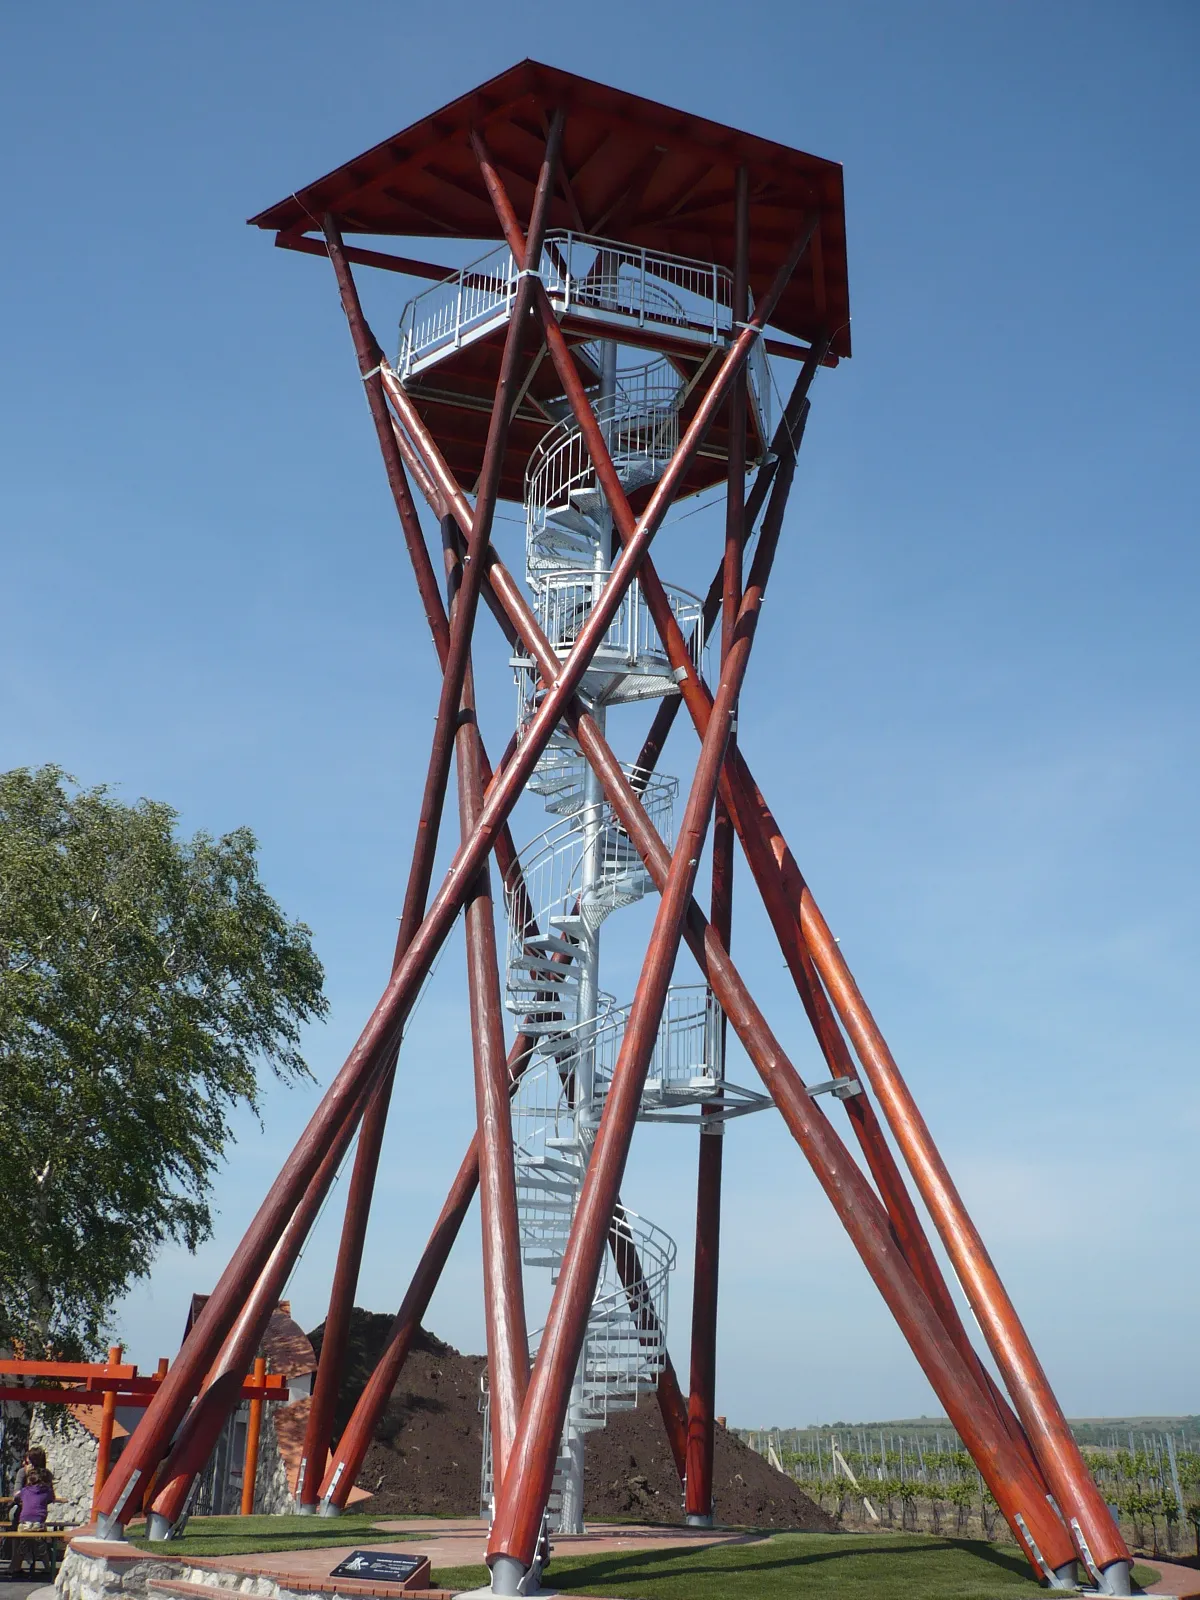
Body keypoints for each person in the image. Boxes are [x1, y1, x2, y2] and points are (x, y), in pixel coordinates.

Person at [8, 1448, 54, 1577]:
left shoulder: (44, 1475)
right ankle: (45, 1567)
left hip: (27, 1518)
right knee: (35, 1538)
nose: (24, 1464)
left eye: (27, 1461)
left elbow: (18, 1494)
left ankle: (15, 1565)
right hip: (22, 1511)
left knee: (27, 1539)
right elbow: (16, 1495)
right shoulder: (23, 1473)